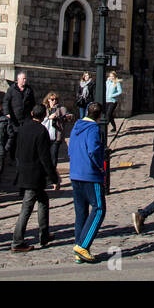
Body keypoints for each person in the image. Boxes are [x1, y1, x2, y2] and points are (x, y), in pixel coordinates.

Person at [10, 104, 56, 252]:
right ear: (43, 116)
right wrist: (54, 177)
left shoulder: (23, 128)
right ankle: (17, 241)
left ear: (31, 113)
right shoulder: (41, 131)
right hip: (34, 175)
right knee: (26, 208)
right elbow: (45, 157)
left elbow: (16, 150)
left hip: (24, 171)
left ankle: (44, 234)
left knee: (43, 200)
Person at [67, 102, 108, 264]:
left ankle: (80, 247)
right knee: (99, 209)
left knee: (81, 213)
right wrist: (100, 166)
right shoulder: (93, 129)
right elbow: (93, 150)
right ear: (99, 116)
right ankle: (83, 246)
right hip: (90, 175)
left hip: (76, 174)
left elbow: (70, 149)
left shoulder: (77, 126)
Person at [42, 92, 71, 190]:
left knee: (53, 158)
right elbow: (40, 120)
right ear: (48, 100)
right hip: (45, 137)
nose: (54, 101)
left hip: (56, 137)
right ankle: (46, 177)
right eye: (52, 99)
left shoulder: (61, 109)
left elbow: (68, 117)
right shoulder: (44, 109)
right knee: (45, 158)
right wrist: (48, 118)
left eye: (55, 99)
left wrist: (65, 117)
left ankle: (52, 179)